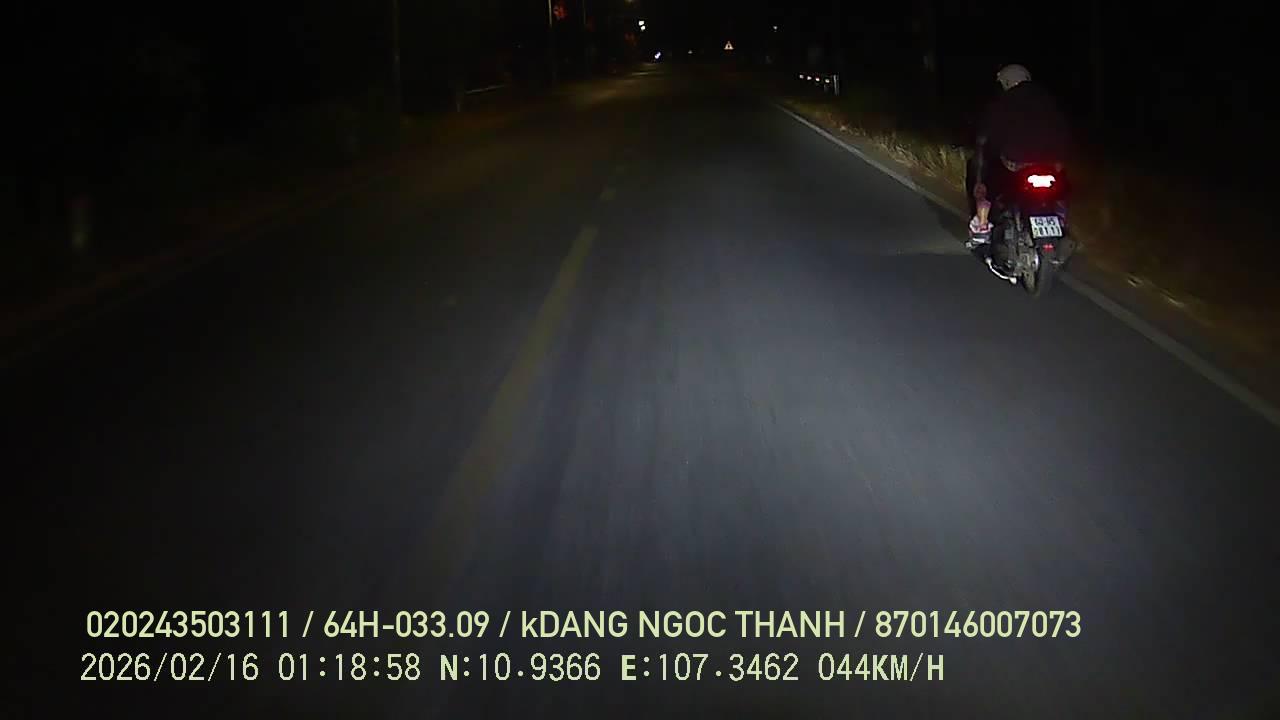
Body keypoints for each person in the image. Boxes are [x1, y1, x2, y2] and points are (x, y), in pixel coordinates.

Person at [966, 64, 1072, 241]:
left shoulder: (1002, 103)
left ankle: (982, 225)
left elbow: (987, 136)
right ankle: (1061, 221)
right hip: (1052, 164)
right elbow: (1064, 132)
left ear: (1006, 83)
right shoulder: (1049, 99)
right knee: (1062, 189)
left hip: (1018, 163)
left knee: (982, 174)